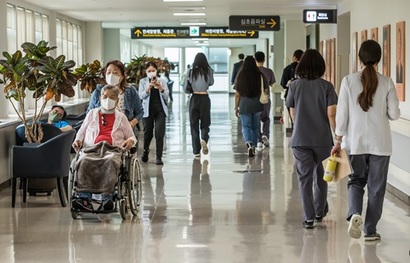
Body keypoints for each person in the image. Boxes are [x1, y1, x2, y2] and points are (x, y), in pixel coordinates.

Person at [331, 40, 400, 241]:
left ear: (359, 58)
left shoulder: (348, 81)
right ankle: (370, 230)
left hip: (355, 143)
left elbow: (342, 115)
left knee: (356, 181)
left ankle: (355, 214)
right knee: (376, 187)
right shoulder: (387, 82)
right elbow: (394, 114)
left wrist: (338, 140)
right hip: (381, 144)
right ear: (379, 58)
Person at [285, 49, 338, 229]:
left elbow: (292, 111)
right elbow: (331, 114)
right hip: (323, 139)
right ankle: (318, 213)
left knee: (304, 179)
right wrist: (337, 135)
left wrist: (297, 124)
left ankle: (308, 218)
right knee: (322, 178)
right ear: (321, 67)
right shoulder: (327, 87)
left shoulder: (294, 86)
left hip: (300, 140)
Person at [72, 84, 137, 211]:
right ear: (100, 98)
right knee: (84, 161)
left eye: (112, 97)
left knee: (111, 161)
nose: (108, 99)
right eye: (105, 96)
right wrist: (78, 141)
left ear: (117, 101)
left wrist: (129, 141)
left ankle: (106, 197)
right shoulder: (91, 113)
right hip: (92, 148)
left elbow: (132, 137)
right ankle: (84, 199)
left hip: (113, 149)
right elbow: (81, 131)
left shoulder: (121, 117)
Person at [87, 60, 144, 134]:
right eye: (109, 72)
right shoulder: (98, 92)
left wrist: (131, 124)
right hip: (102, 133)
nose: (111, 75)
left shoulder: (130, 92)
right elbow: (89, 113)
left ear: (122, 76)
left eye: (115, 73)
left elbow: (140, 112)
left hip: (124, 133)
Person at [234, 56, 268, 157]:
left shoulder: (240, 76)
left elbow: (237, 94)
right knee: (255, 127)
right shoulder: (260, 75)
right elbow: (265, 90)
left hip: (244, 104)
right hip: (257, 104)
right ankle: (253, 146)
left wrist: (236, 107)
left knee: (245, 126)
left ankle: (248, 143)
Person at [183, 53, 214, 158]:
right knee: (205, 122)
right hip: (204, 98)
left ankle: (196, 151)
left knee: (193, 124)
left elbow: (185, 88)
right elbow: (211, 83)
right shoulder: (209, 71)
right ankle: (204, 139)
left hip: (194, 98)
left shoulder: (190, 72)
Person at [139, 61, 169, 165]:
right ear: (146, 72)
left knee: (159, 133)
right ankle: (145, 150)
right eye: (149, 71)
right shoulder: (143, 82)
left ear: (157, 71)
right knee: (148, 134)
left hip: (160, 110)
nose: (151, 72)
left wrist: (160, 87)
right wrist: (148, 88)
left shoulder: (162, 81)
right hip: (148, 111)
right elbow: (141, 96)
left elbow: (166, 97)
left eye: (153, 70)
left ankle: (159, 157)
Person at [254, 51, 275, 149]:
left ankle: (258, 140)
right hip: (265, 99)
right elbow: (271, 84)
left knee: (256, 119)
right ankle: (265, 134)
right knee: (266, 118)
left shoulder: (252, 72)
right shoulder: (269, 71)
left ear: (255, 59)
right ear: (264, 59)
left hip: (255, 99)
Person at [281, 49, 304, 129]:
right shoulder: (305, 69)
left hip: (290, 96)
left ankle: (295, 132)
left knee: (293, 117)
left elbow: (283, 84)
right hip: (303, 96)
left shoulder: (287, 69)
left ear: (294, 57)